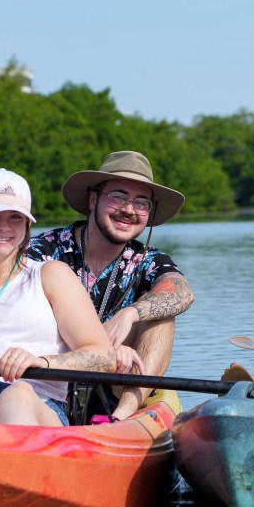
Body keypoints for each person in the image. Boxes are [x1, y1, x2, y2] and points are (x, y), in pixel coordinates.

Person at [0, 168, 115, 424]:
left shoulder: (52, 276)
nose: (3, 226)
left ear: (27, 224)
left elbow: (104, 356)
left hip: (35, 405)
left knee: (15, 395)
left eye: (15, 217)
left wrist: (42, 362)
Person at [27, 151, 195, 420]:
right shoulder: (43, 250)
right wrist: (99, 347)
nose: (129, 210)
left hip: (115, 382)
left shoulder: (148, 259)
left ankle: (123, 417)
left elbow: (182, 292)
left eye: (141, 203)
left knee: (162, 315)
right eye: (118, 196)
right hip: (50, 376)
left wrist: (129, 314)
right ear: (93, 199)